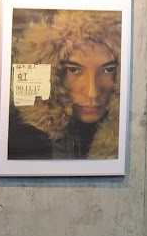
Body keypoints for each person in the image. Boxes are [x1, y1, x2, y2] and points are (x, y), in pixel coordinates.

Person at [7, 10, 121, 159]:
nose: (92, 93)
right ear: (53, 73)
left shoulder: (133, 138)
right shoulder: (19, 141)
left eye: (108, 70)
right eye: (73, 70)